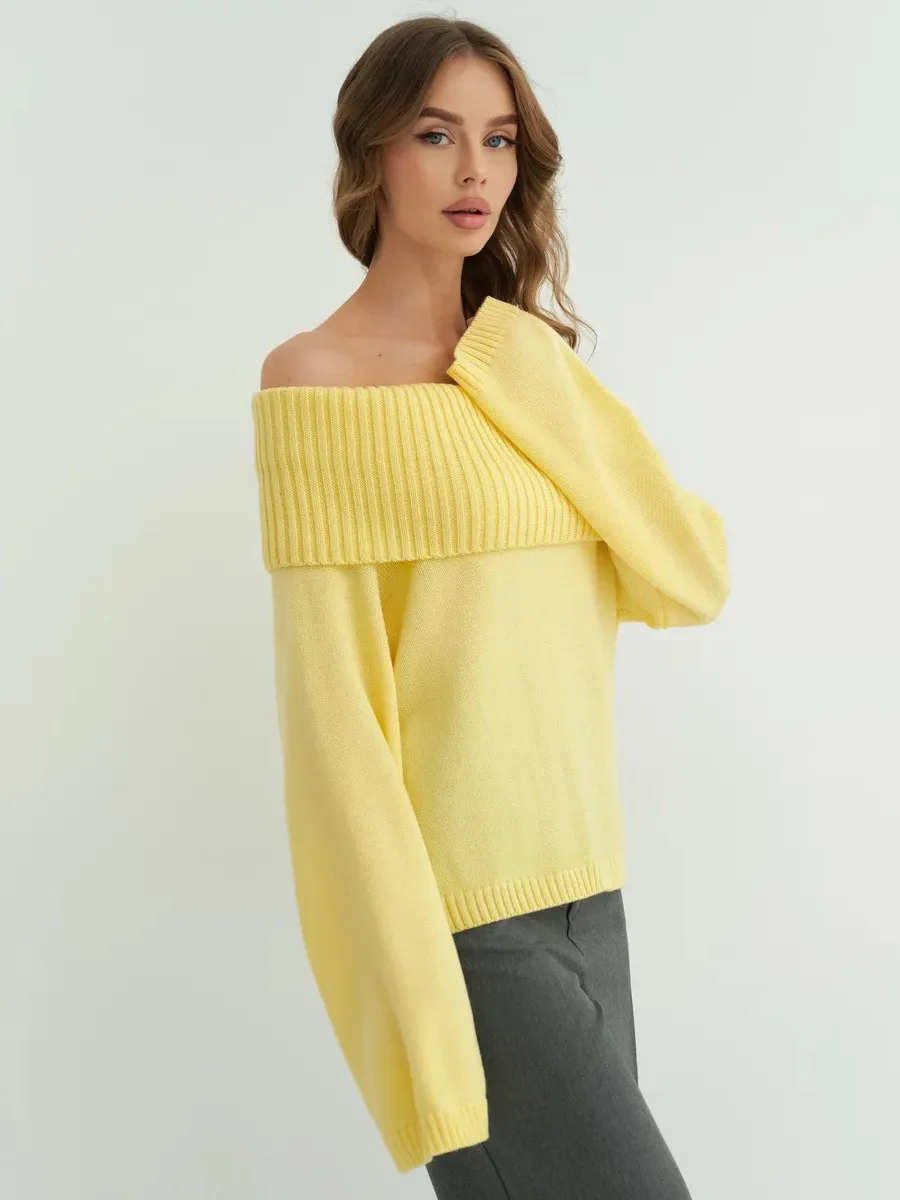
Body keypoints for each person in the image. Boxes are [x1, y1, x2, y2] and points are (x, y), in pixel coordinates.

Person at [250, 15, 729, 1198]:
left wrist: (520, 363)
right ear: (372, 152)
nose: (474, 171)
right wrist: (407, 989)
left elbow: (688, 575)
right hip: (465, 924)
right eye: (436, 135)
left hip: (589, 889)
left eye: (500, 140)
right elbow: (335, 730)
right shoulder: (314, 383)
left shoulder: (523, 367)